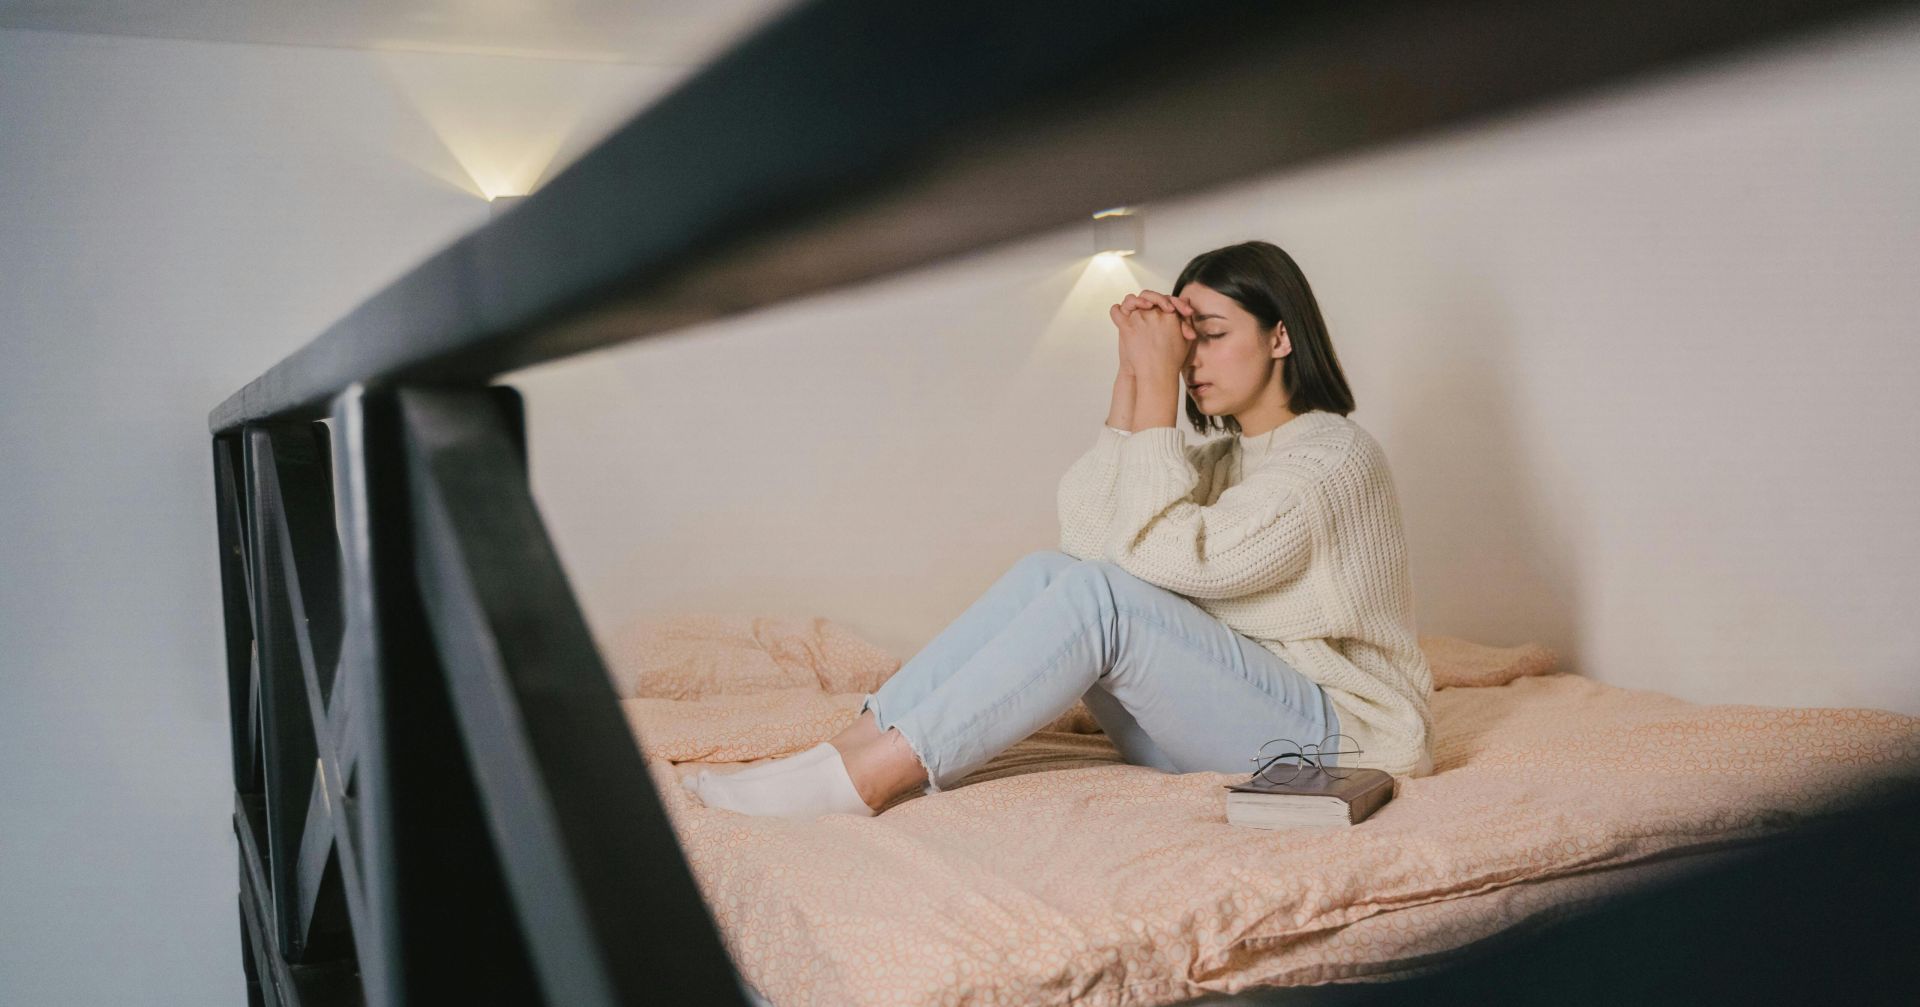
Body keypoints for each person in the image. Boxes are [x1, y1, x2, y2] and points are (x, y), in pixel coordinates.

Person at [684, 240, 1433, 819]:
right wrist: (1133, 374)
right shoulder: (1220, 458)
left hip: (1333, 743)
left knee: (1100, 596)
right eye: (1185, 341)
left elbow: (1170, 558)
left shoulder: (1335, 458)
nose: (1192, 359)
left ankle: (869, 780)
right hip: (1231, 728)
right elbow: (1087, 531)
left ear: (1278, 338)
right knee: (1053, 573)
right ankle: (848, 748)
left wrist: (1159, 392)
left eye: (1210, 333)